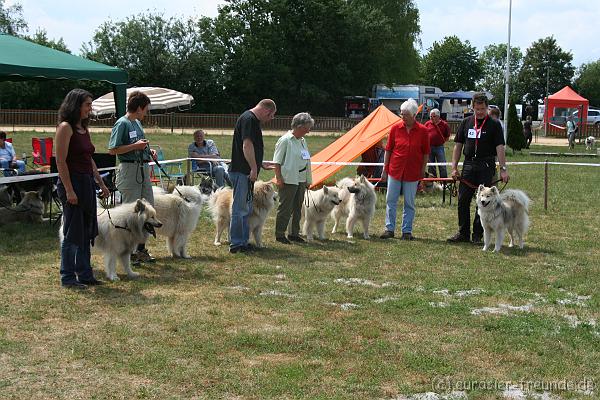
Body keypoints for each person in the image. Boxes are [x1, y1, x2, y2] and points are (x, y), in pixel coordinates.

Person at [55, 89, 110, 289]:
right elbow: (60, 161)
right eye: (87, 104)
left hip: (86, 183)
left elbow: (89, 159)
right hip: (72, 184)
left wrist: (101, 183)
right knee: (72, 233)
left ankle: (85, 274)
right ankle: (67, 277)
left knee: (86, 231)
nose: (90, 108)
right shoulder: (65, 128)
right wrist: (69, 190)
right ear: (76, 105)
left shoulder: (83, 129)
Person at [447, 92, 509, 244]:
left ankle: (477, 235)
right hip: (468, 165)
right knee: (463, 200)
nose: (480, 112)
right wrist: (454, 167)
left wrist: (503, 168)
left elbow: (500, 147)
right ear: (472, 108)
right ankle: (463, 233)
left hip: (486, 165)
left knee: (482, 202)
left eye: (482, 109)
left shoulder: (494, 125)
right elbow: (458, 146)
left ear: (487, 108)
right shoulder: (466, 122)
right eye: (477, 109)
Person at [108, 91, 157, 264]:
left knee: (148, 208)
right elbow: (113, 149)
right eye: (145, 110)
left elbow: (138, 144)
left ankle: (141, 249)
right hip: (129, 171)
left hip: (142, 169)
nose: (146, 113)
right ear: (138, 108)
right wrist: (134, 146)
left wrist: (147, 150)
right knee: (131, 211)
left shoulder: (137, 123)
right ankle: (128, 252)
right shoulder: (122, 123)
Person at [228, 99, 276, 253]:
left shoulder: (252, 120)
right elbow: (246, 145)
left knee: (246, 209)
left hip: (246, 172)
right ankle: (236, 244)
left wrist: (260, 163)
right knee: (240, 209)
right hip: (242, 171)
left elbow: (251, 147)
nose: (270, 120)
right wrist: (254, 168)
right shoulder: (249, 119)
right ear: (267, 111)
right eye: (271, 116)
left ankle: (243, 241)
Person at [379, 99, 430, 241]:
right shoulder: (395, 129)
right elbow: (388, 150)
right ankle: (389, 229)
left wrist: (422, 170)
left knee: (409, 202)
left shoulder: (423, 131)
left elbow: (426, 152)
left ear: (414, 115)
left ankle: (406, 231)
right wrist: (385, 169)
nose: (402, 117)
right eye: (401, 114)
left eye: (406, 114)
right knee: (391, 200)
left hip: (413, 172)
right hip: (395, 170)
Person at [273, 112, 314, 244]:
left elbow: (306, 159)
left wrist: (308, 179)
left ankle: (294, 233)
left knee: (297, 208)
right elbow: (277, 162)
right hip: (288, 179)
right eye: (307, 128)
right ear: (299, 126)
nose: (308, 131)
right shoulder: (285, 140)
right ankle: (280, 234)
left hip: (301, 179)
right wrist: (279, 178)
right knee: (285, 207)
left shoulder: (302, 140)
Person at [424, 108, 450, 179]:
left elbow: (447, 136)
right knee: (431, 165)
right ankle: (433, 181)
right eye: (430, 116)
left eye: (434, 116)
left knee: (442, 164)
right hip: (429, 147)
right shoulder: (427, 124)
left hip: (439, 147)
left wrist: (441, 141)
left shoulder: (444, 124)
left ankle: (444, 181)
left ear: (438, 116)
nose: (432, 118)